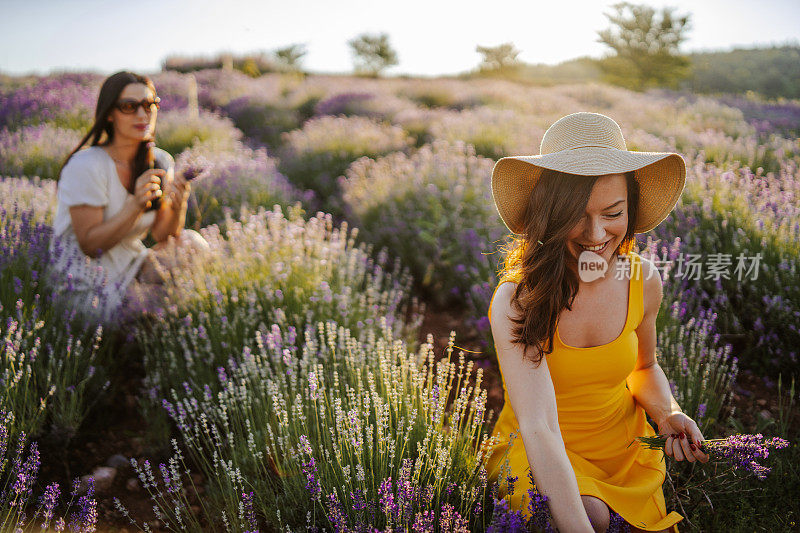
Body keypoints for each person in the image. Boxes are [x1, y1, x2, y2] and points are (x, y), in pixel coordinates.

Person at [484, 112, 709, 532]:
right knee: (590, 515)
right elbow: (539, 425)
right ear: (548, 214)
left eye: (613, 212)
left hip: (624, 451)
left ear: (632, 209)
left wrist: (667, 413)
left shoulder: (642, 277)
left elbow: (644, 367)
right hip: (541, 450)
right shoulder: (518, 298)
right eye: (576, 214)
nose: (595, 232)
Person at [50, 71, 208, 322]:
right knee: (169, 308)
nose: (143, 114)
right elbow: (91, 246)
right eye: (129, 106)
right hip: (85, 284)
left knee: (193, 245)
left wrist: (179, 204)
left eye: (149, 105)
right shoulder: (87, 165)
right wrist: (135, 205)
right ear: (110, 114)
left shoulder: (160, 160)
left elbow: (163, 236)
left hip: (131, 266)